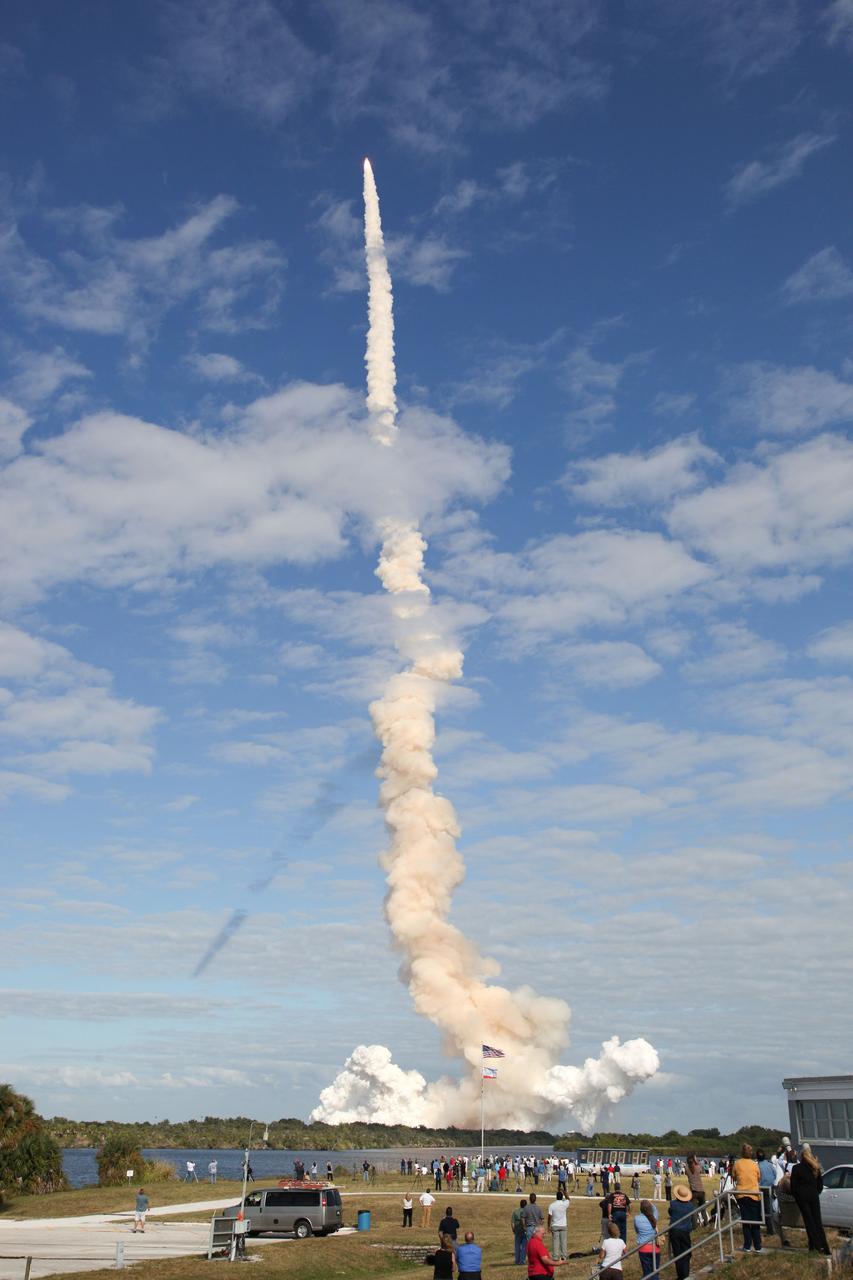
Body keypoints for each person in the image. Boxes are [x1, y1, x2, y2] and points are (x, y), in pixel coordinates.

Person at [790, 1146, 830, 1255]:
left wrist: (798, 1196)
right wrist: (815, 1192)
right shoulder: (815, 1168)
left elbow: (793, 1187)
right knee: (817, 1222)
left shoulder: (796, 1168)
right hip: (814, 1196)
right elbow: (820, 1185)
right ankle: (824, 1247)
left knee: (809, 1222)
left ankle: (817, 1247)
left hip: (802, 1197)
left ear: (801, 1157)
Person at [731, 1144, 762, 1253]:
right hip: (754, 1194)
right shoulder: (755, 1164)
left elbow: (734, 1176)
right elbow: (758, 1177)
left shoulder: (737, 1164)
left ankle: (747, 1245)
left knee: (745, 1220)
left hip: (742, 1194)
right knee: (755, 1220)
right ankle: (757, 1245)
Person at [757, 1148, 789, 1246]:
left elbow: (757, 1178)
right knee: (770, 1209)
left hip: (762, 1189)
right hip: (771, 1188)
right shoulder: (770, 1165)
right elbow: (775, 1175)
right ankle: (772, 1228)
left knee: (765, 1210)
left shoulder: (758, 1166)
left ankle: (770, 1230)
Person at [668, 1186, 694, 1280]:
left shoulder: (673, 1204)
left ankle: (680, 1275)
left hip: (674, 1230)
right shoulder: (690, 1206)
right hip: (685, 1231)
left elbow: (670, 1212)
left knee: (677, 1253)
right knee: (686, 1253)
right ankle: (685, 1275)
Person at [633, 1199, 661, 1277]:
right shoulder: (654, 1217)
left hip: (643, 1248)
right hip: (655, 1247)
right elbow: (655, 1209)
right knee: (655, 1271)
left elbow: (637, 1231)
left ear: (641, 1208)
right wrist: (650, 1203)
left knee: (647, 1272)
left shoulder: (637, 1218)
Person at [547, 1190, 568, 1260]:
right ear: (562, 1197)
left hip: (555, 1225)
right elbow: (568, 1199)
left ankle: (555, 1257)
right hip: (563, 1225)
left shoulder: (552, 1205)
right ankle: (564, 1256)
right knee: (563, 1242)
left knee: (555, 1242)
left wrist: (548, 1226)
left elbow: (549, 1216)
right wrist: (565, 1192)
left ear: (556, 1197)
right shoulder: (564, 1204)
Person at [685, 1156, 705, 1225]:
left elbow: (687, 1169)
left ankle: (694, 1225)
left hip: (693, 1192)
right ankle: (706, 1222)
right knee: (703, 1208)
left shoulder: (687, 1169)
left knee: (694, 1210)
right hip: (701, 1190)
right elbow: (700, 1167)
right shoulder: (697, 1168)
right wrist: (696, 1160)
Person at [512, 1199, 528, 1265]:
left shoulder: (515, 1212)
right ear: (526, 1205)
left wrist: (513, 1230)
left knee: (517, 1247)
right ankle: (522, 1260)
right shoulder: (526, 1212)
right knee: (524, 1247)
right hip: (524, 1231)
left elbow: (512, 1222)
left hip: (517, 1231)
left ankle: (517, 1260)